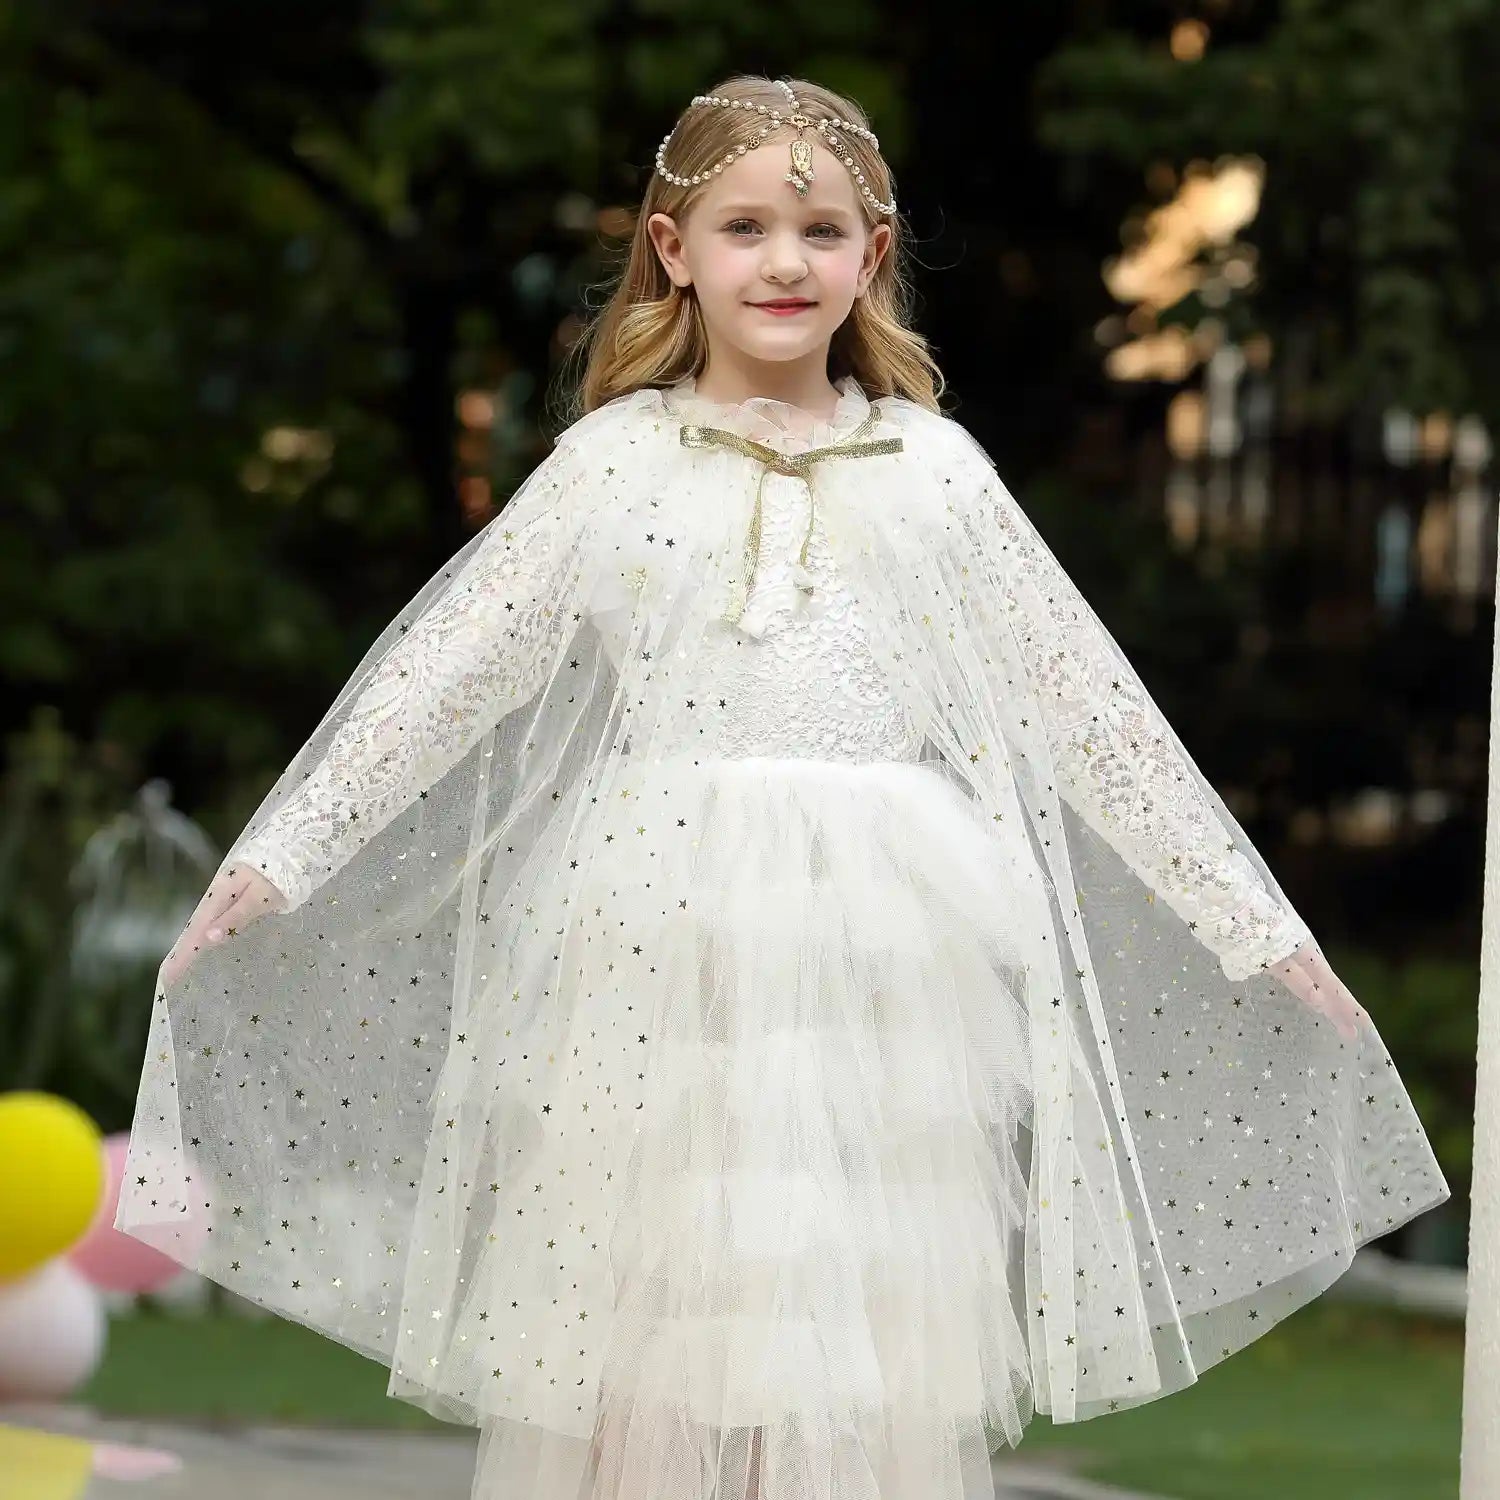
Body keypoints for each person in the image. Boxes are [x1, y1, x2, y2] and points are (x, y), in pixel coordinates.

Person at [117, 73, 1450, 1500]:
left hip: (887, 953)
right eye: (744, 226)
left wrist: (1256, 926)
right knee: (649, 1313)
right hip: (653, 945)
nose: (782, 261)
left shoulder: (933, 475)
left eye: (820, 231)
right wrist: (278, 861)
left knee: (860, 1317)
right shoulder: (609, 468)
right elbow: (441, 677)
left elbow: (1093, 715)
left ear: (871, 259)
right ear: (672, 250)